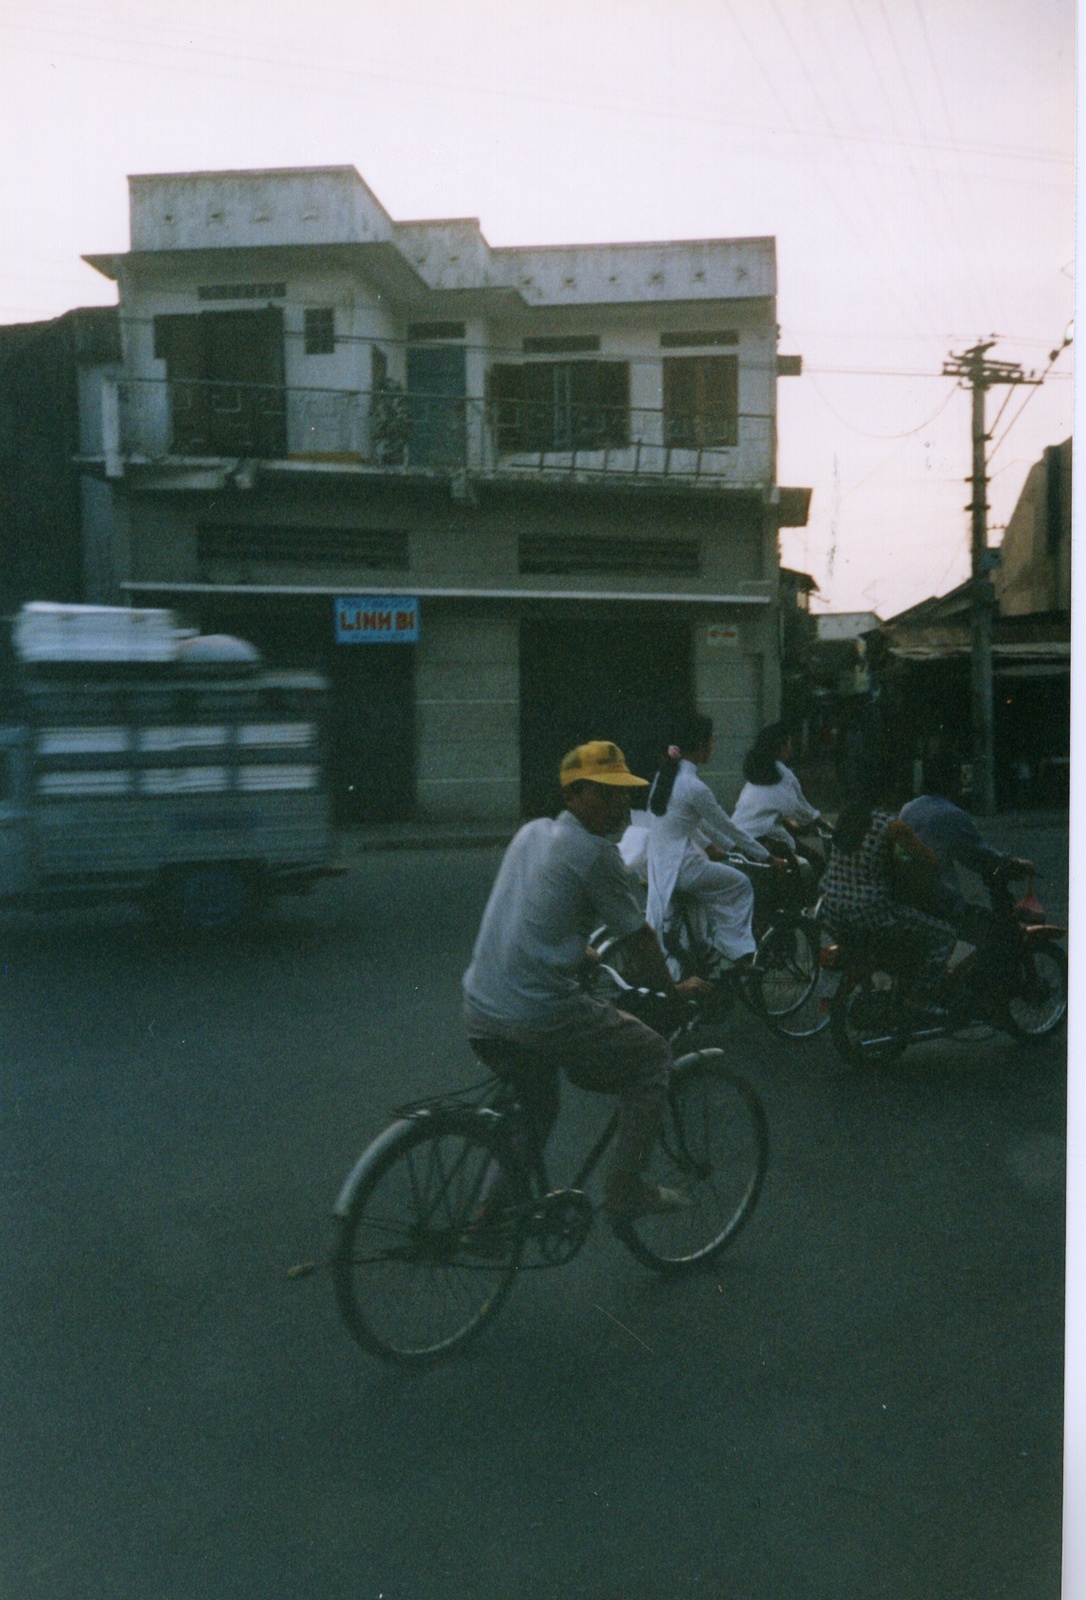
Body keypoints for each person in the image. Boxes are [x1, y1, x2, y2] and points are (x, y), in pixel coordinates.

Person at [462, 739, 708, 1219]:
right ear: (572, 795)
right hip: (535, 1015)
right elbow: (640, 943)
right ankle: (626, 1188)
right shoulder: (596, 853)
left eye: (622, 793)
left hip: (481, 1007)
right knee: (652, 1056)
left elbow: (533, 918)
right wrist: (673, 992)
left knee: (537, 1110)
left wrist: (582, 953)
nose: (619, 803)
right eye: (604, 792)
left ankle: (485, 1217)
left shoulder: (531, 833)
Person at [644, 711, 777, 971]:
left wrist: (711, 847)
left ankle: (702, 958)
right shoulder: (694, 786)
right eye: (711, 741)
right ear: (702, 744)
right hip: (682, 866)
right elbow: (727, 827)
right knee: (740, 885)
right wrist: (767, 856)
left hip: (661, 865)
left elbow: (689, 822)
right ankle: (738, 953)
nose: (713, 746)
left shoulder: (666, 777)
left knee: (706, 897)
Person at [820, 797, 957, 994]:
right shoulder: (891, 825)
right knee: (944, 935)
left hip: (831, 908)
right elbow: (930, 860)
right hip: (870, 912)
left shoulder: (847, 817)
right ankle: (920, 996)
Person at [898, 753, 1033, 941]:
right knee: (994, 936)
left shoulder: (909, 808)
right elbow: (978, 855)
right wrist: (1013, 862)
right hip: (941, 901)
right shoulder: (950, 814)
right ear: (949, 780)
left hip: (912, 896)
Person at [732, 721, 823, 856]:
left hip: (737, 835)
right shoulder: (784, 776)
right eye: (789, 743)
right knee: (814, 859)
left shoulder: (757, 773)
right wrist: (820, 822)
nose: (790, 748)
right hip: (763, 838)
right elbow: (800, 808)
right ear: (781, 747)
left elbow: (766, 805)